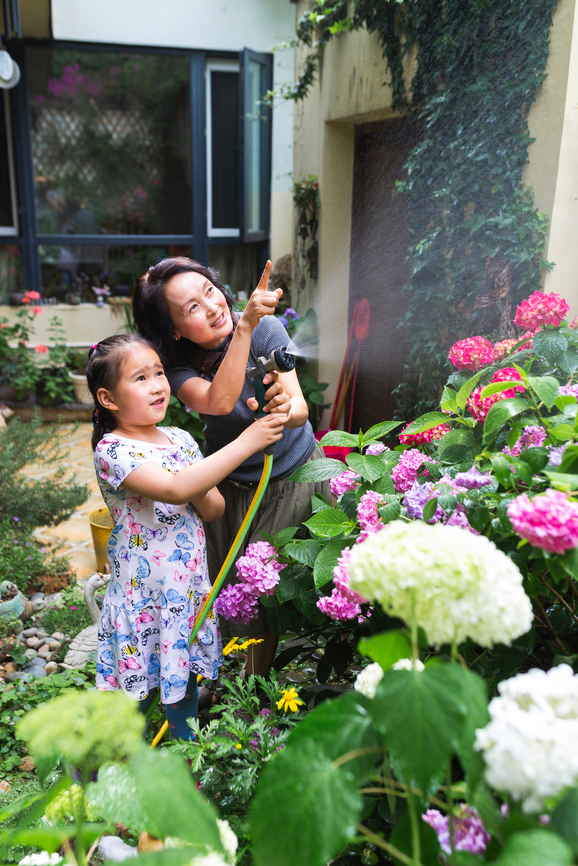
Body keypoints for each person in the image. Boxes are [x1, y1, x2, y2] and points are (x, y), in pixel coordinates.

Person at [132, 257, 329, 676]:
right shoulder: (178, 364)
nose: (212, 306)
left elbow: (300, 409)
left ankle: (254, 687)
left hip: (285, 475)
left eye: (208, 290)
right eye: (192, 308)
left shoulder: (266, 329)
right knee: (222, 585)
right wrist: (243, 330)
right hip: (228, 483)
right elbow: (218, 401)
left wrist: (281, 408)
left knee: (262, 590)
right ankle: (216, 672)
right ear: (176, 331)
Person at [87, 333, 285, 739]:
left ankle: (186, 771)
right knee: (134, 702)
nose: (158, 384)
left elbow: (213, 508)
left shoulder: (180, 439)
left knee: (183, 695)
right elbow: (175, 490)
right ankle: (112, 770)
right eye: (140, 378)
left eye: (159, 373)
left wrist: (194, 474)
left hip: (183, 594)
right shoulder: (113, 450)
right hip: (143, 599)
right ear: (108, 399)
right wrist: (246, 443)